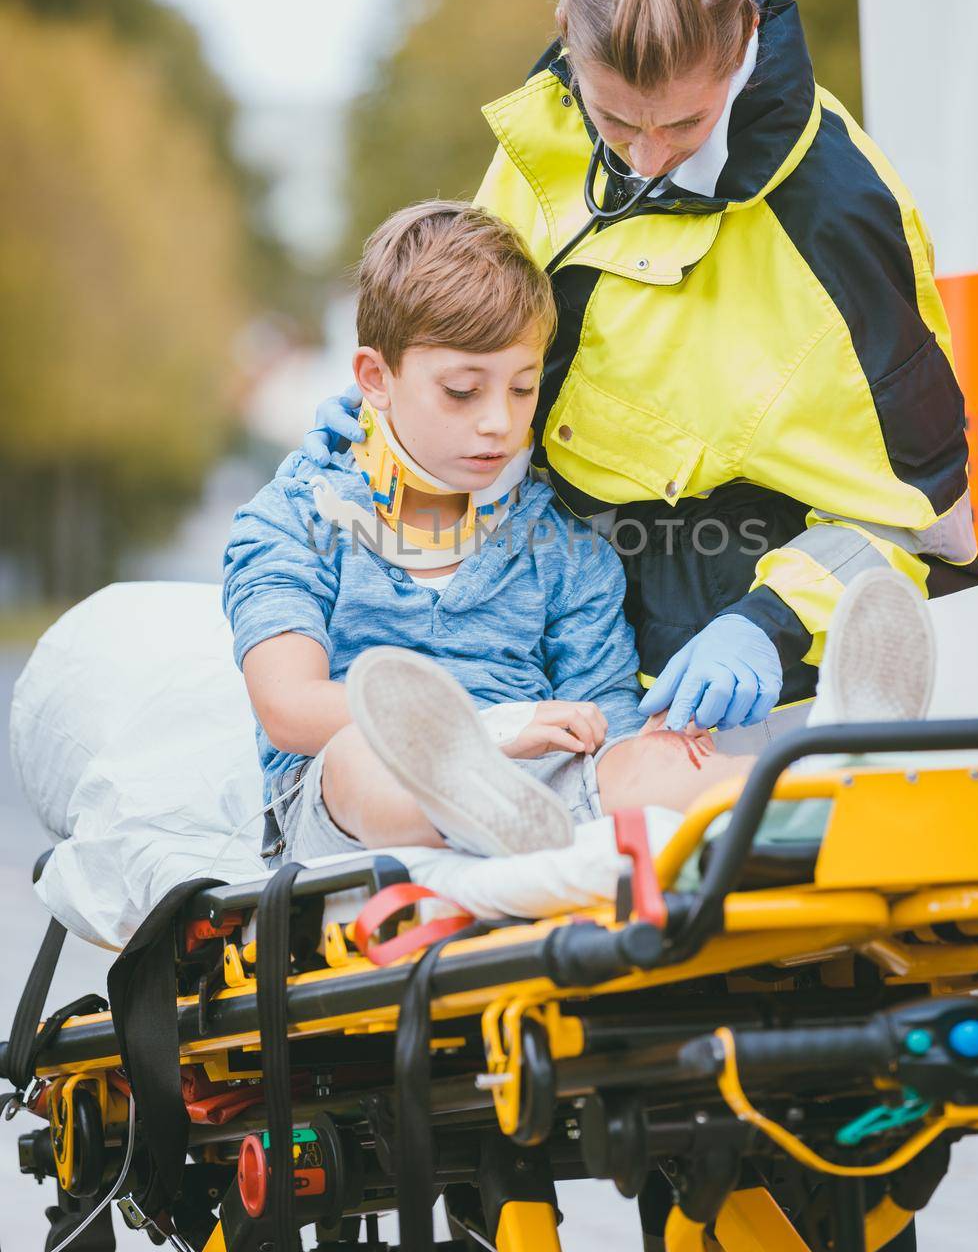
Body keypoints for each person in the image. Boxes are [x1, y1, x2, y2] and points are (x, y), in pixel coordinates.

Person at [307, 0, 978, 764]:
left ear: (744, 36)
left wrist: (766, 625)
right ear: (569, 53)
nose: (649, 159)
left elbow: (914, 513)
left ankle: (848, 748)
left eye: (684, 124)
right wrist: (386, 424)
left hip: (741, 670)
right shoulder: (548, 138)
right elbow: (463, 335)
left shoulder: (837, 215)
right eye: (618, 125)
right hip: (548, 624)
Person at [222, 200, 754, 868]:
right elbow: (289, 707)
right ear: (374, 379)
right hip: (355, 797)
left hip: (539, 785)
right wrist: (491, 731)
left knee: (655, 762)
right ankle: (484, 819)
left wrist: (650, 747)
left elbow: (603, 721)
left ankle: (825, 781)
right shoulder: (292, 521)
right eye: (462, 391)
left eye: (523, 388)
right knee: (362, 756)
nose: (498, 424)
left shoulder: (561, 543)